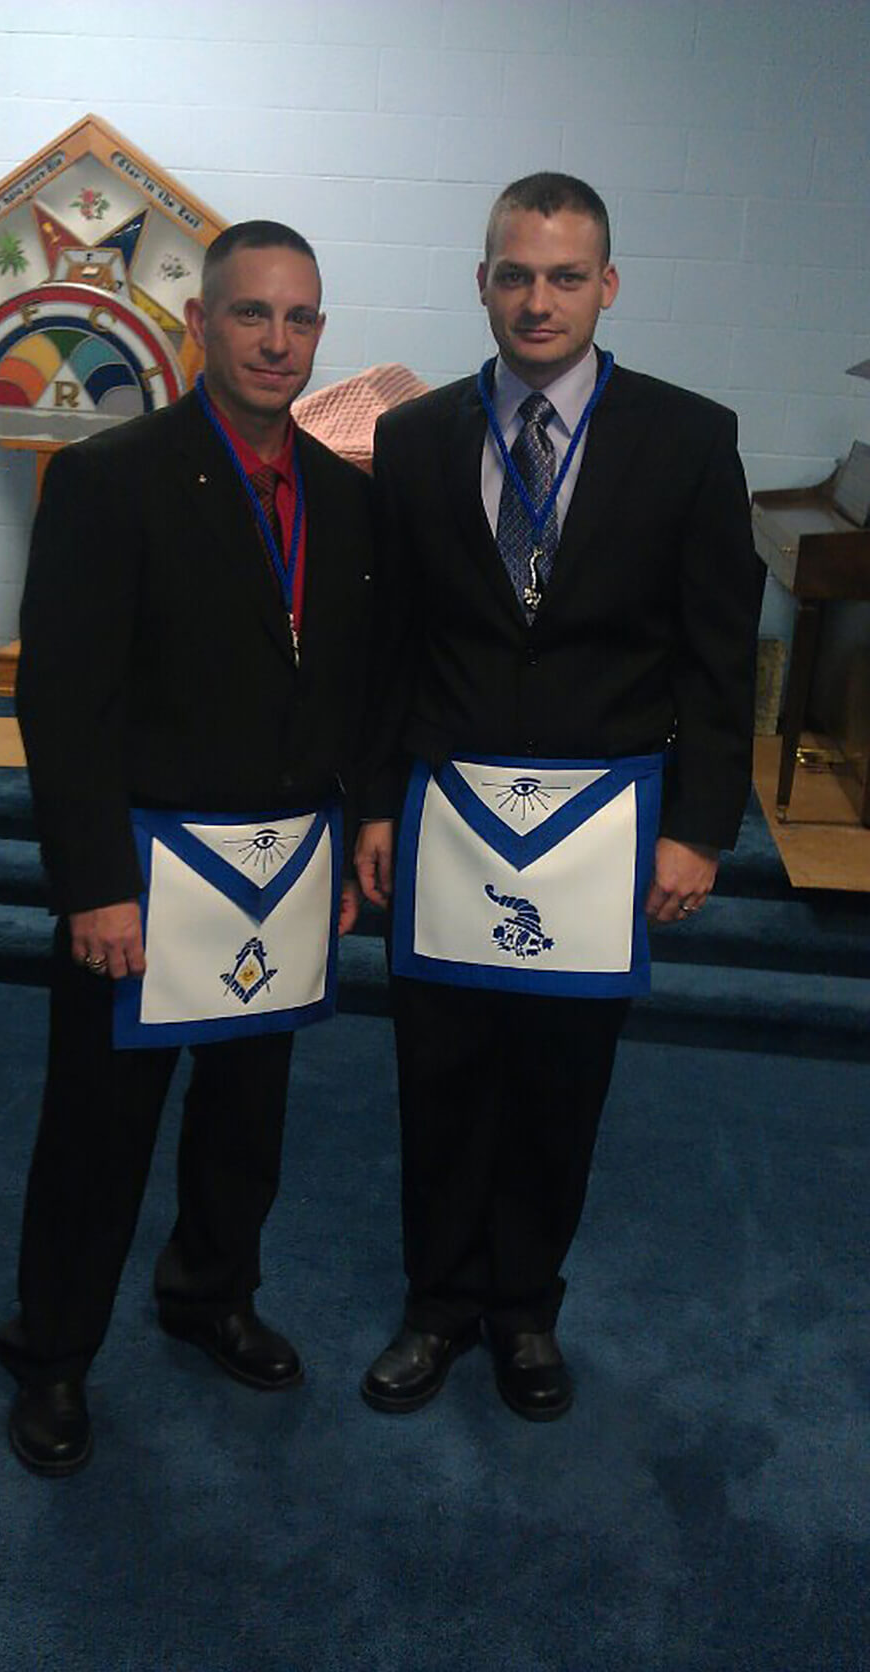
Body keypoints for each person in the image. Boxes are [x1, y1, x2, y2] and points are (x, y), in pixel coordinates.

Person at [355, 173, 763, 1422]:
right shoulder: (416, 438)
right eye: (515, 274)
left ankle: (525, 1308)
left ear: (608, 285)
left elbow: (718, 648)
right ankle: (436, 1303)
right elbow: (388, 643)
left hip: (605, 823)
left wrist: (700, 822)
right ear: (483, 281)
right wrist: (373, 802)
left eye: (565, 276)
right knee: (440, 1071)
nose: (539, 301)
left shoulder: (688, 435)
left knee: (558, 1076)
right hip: (447, 813)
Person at [0, 221, 374, 1475]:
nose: (278, 340)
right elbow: (64, 698)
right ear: (198, 324)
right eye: (253, 314)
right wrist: (93, 882)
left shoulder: (340, 494)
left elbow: (349, 680)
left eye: (301, 318)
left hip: (283, 866)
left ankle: (209, 1292)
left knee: (246, 1117)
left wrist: (348, 822)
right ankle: (51, 1354)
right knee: (99, 1131)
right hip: (145, 877)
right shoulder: (112, 479)